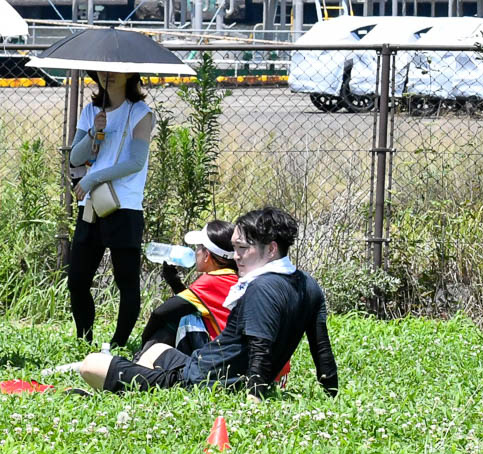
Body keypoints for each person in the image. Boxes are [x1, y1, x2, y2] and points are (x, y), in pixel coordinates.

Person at [58, 207, 339, 397]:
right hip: (204, 365)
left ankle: (130, 389)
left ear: (272, 249)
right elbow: (321, 348)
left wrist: (253, 402)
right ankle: (131, 384)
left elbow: (260, 350)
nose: (236, 256)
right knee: (155, 350)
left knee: (91, 365)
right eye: (234, 248)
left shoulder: (260, 287)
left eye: (242, 249)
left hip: (202, 381)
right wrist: (331, 393)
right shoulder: (307, 283)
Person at [66, 70, 155, 349]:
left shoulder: (140, 113)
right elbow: (75, 157)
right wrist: (94, 132)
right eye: (103, 71)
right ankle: (84, 340)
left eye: (117, 71)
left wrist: (93, 178)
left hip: (124, 205)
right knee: (78, 279)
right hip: (91, 205)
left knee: (126, 281)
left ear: (131, 74)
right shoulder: (91, 111)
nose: (109, 75)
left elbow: (136, 162)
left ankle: (118, 344)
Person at [138, 220, 241, 354]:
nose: (195, 252)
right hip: (233, 351)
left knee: (182, 319)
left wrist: (144, 342)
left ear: (206, 255)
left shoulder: (211, 281)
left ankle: (143, 358)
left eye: (198, 247)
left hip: (220, 355)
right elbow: (194, 303)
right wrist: (174, 282)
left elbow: (161, 313)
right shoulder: (233, 276)